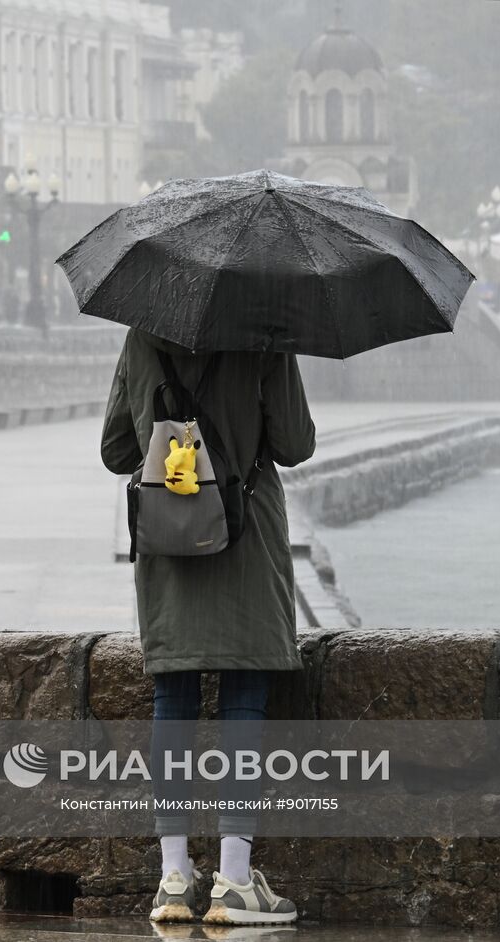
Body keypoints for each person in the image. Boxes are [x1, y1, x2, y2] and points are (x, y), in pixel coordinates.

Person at [101, 329, 315, 926]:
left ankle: (173, 879)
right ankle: (235, 882)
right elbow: (294, 444)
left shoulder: (143, 337)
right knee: (244, 696)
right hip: (244, 536)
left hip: (169, 537)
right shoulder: (266, 332)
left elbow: (117, 449)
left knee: (173, 696)